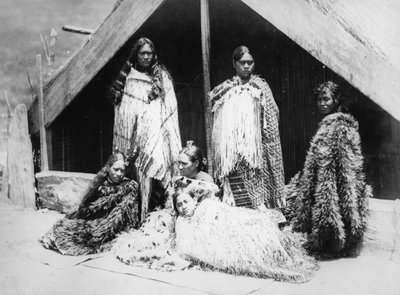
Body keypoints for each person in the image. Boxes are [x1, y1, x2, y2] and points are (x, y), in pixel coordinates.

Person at [115, 180, 318, 283]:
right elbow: (188, 245)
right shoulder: (182, 222)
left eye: (186, 202)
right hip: (218, 239)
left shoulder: (206, 206)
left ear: (194, 200)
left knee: (255, 225)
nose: (183, 207)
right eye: (179, 205)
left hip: (231, 222)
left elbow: (224, 214)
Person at [285, 81, 371, 257]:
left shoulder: (341, 127)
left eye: (326, 99)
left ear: (336, 100)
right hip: (327, 177)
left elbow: (344, 162)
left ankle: (334, 241)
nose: (322, 104)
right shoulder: (327, 125)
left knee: (335, 208)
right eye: (319, 100)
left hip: (336, 180)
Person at [109, 37, 182, 221]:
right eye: (143, 53)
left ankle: (151, 215)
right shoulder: (129, 78)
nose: (147, 57)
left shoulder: (162, 76)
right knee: (137, 176)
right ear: (136, 54)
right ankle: (137, 216)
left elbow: (170, 105)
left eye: (150, 53)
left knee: (155, 173)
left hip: (157, 135)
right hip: (133, 137)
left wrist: (156, 121)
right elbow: (123, 110)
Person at [209, 46, 285, 210]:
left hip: (257, 151)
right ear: (234, 64)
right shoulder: (226, 89)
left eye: (250, 62)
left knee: (258, 196)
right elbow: (216, 117)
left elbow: (272, 116)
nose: (246, 66)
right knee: (236, 200)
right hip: (233, 151)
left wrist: (261, 142)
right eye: (242, 62)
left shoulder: (261, 88)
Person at [40, 153, 139, 256]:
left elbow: (121, 213)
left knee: (85, 236)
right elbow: (88, 206)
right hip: (93, 217)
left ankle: (59, 240)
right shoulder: (101, 183)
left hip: (108, 224)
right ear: (109, 168)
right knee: (67, 224)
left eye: (122, 170)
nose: (118, 174)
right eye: (116, 169)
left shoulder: (127, 187)